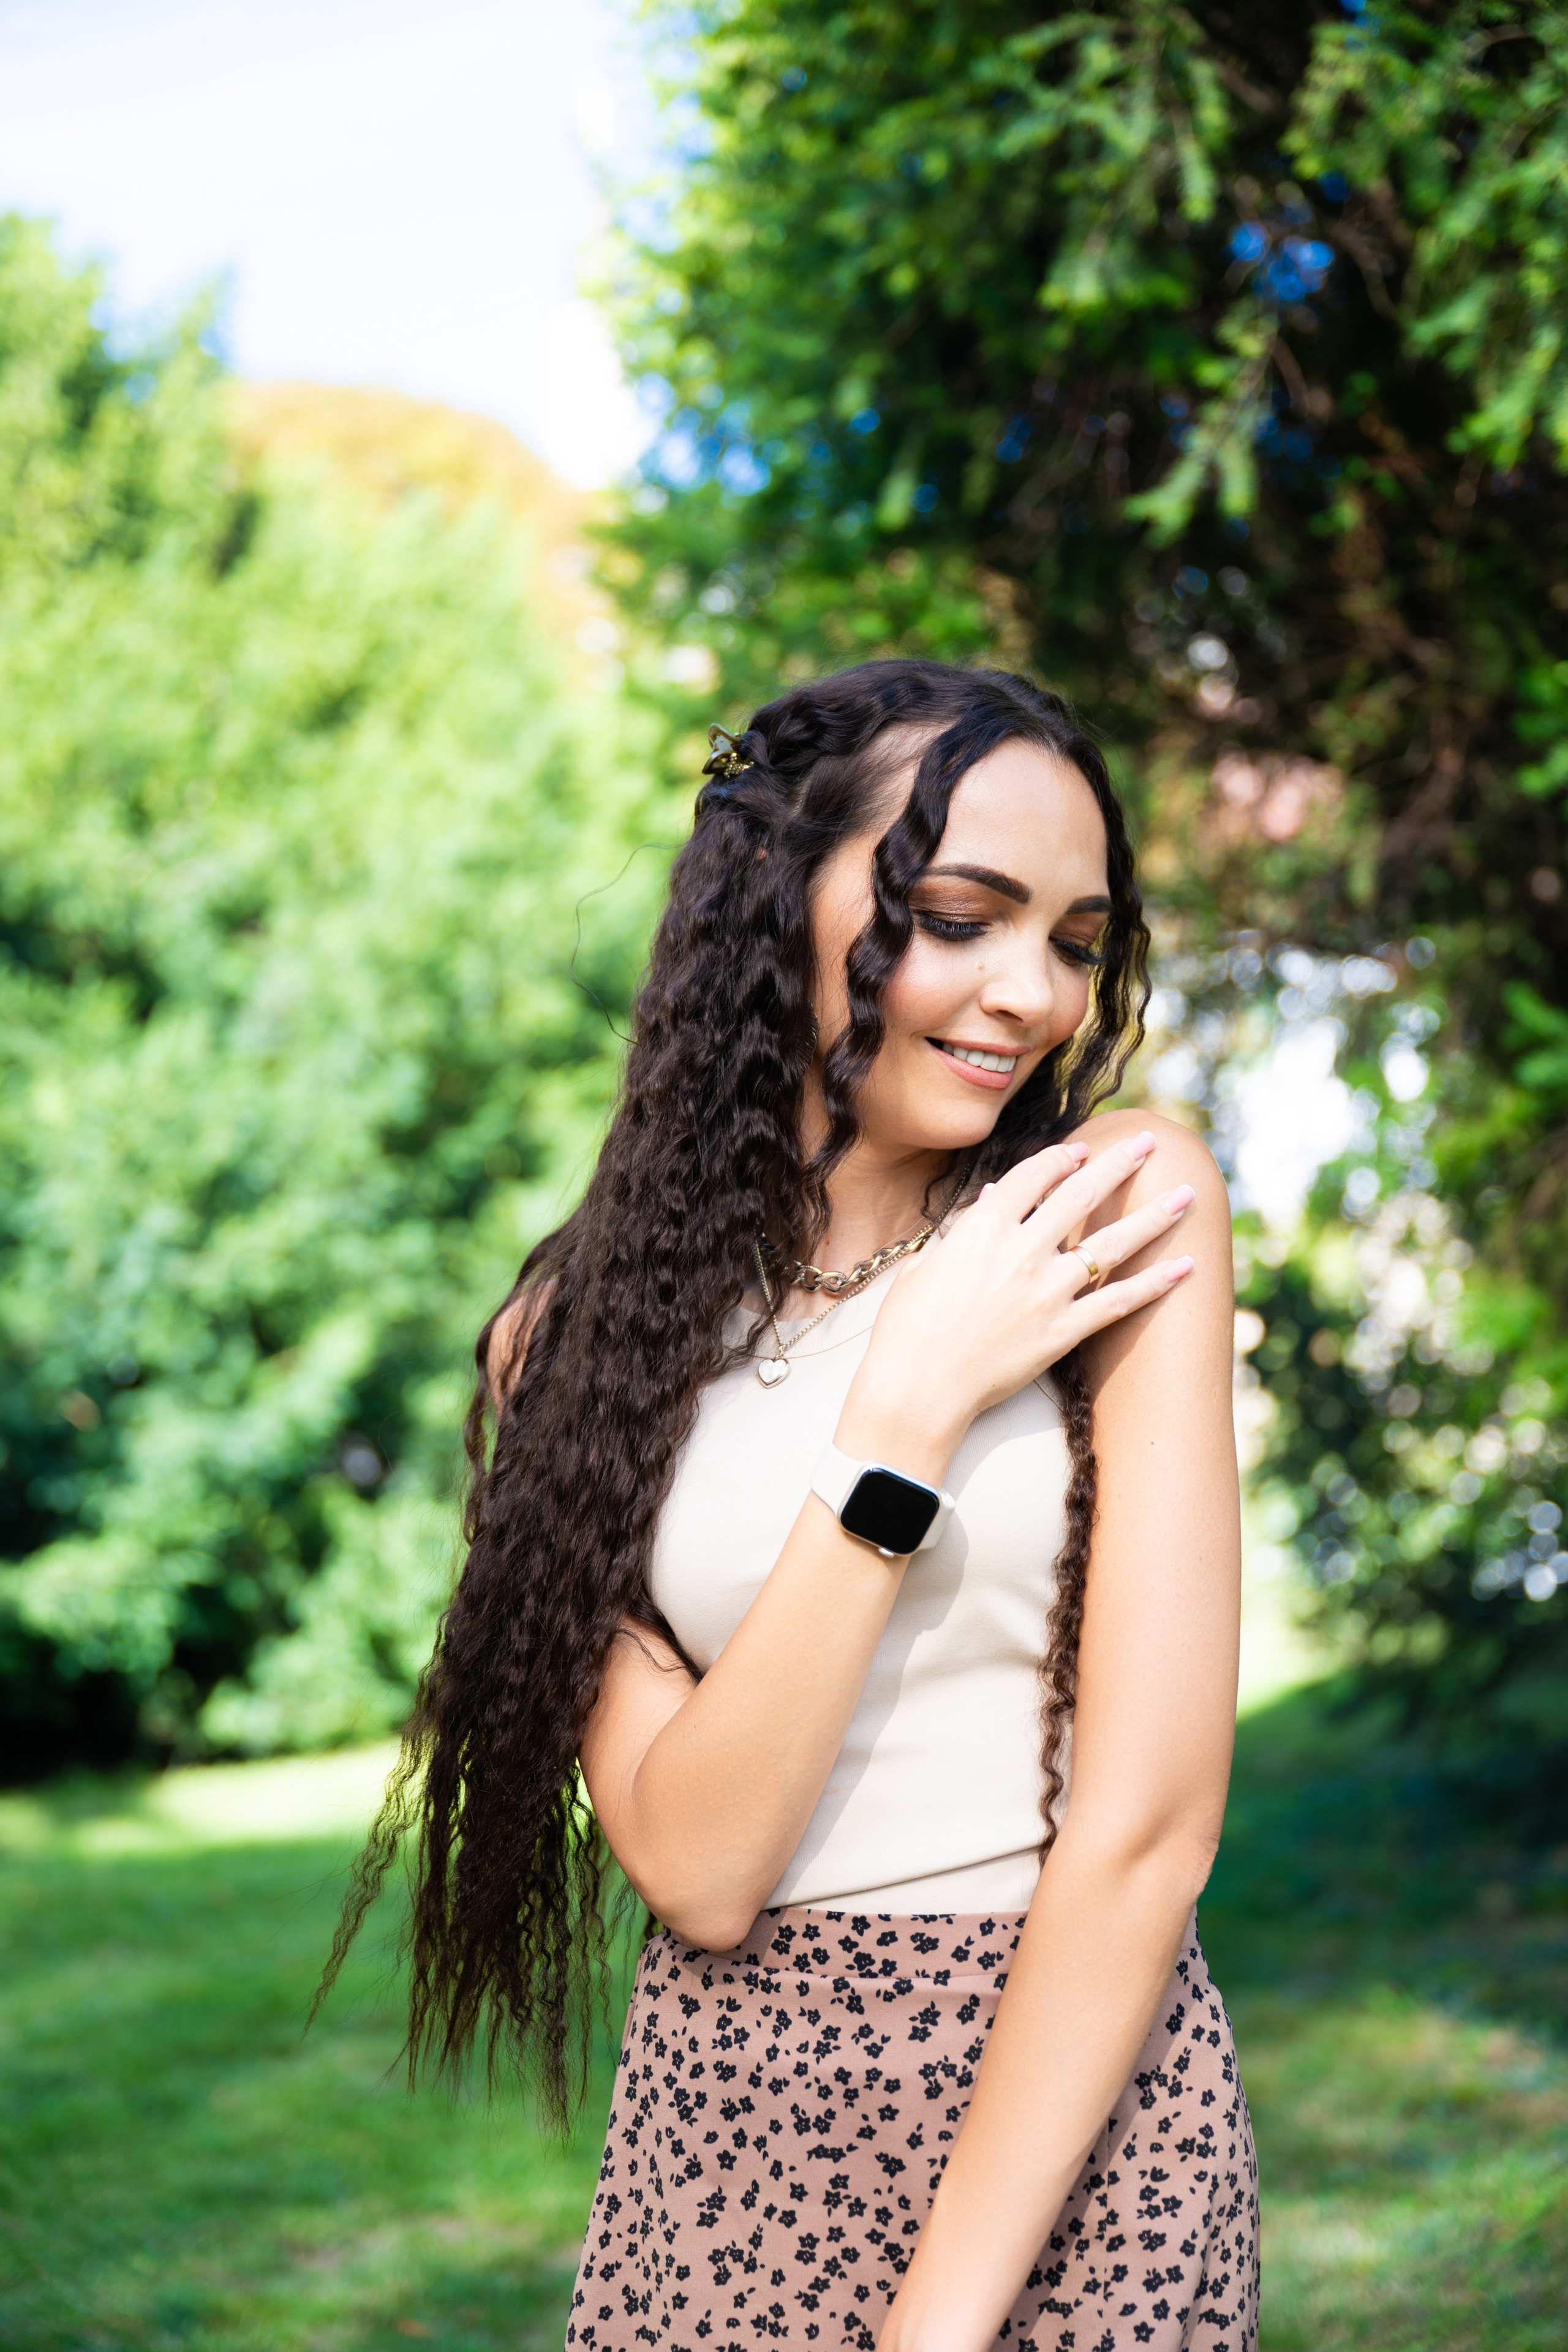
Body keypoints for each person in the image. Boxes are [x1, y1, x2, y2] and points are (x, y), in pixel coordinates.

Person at [326, 657, 1258, 2351]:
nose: (1028, 995)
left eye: (1072, 939)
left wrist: (935, 2329)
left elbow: (1148, 1837)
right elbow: (696, 1866)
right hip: (726, 2141)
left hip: (1067, 2141)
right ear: (777, 902)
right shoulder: (576, 1345)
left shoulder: (1115, 1216)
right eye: (960, 917)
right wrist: (896, 1427)